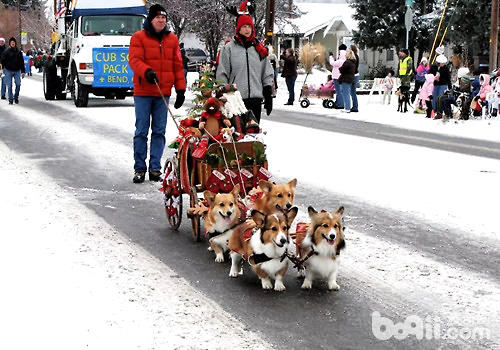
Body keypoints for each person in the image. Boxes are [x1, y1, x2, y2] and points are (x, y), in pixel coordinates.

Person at [129, 4, 186, 184]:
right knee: (141, 131)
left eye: (164, 18)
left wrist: (181, 88)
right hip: (144, 91)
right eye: (157, 18)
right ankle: (139, 168)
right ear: (151, 19)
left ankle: (155, 168)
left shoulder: (172, 39)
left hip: (163, 92)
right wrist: (146, 71)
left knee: (159, 131)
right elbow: (135, 60)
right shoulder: (138, 37)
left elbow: (177, 65)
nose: (161, 20)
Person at [216, 7, 273, 122]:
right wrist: (223, 95)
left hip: (255, 100)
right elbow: (222, 73)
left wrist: (268, 95)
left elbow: (267, 73)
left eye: (249, 26)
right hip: (235, 100)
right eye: (244, 27)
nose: (247, 30)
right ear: (238, 29)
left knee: (253, 136)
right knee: (238, 135)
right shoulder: (229, 49)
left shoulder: (259, 49)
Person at [0, 37, 25, 105]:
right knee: (9, 85)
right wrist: (2, 69)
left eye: (14, 42)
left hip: (17, 70)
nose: (13, 43)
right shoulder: (6, 51)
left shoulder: (19, 51)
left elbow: (21, 62)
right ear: (10, 43)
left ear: (15, 43)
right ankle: (10, 99)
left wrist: (23, 71)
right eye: (11, 42)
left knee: (18, 84)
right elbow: (2, 61)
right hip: (8, 70)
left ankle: (16, 97)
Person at [329, 44, 347, 109]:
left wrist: (330, 56)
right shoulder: (345, 60)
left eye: (339, 52)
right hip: (341, 77)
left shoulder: (340, 61)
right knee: (340, 91)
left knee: (339, 91)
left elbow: (332, 63)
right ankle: (338, 103)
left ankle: (340, 104)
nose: (338, 53)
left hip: (337, 77)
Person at [349, 44, 360, 112]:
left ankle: (355, 107)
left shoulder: (354, 57)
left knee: (352, 92)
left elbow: (353, 67)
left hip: (353, 75)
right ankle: (355, 106)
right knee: (352, 92)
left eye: (349, 48)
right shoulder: (357, 56)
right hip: (356, 75)